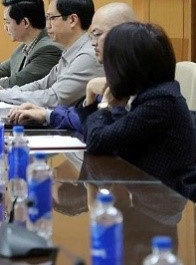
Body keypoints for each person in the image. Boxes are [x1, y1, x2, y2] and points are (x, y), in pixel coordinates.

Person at [83, 22, 196, 200]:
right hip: (146, 192)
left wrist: (105, 104)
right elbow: (96, 135)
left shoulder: (160, 101)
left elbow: (97, 141)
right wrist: (96, 101)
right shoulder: (149, 93)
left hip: (166, 200)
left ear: (125, 64)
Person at [6, 2, 136, 131]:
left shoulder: (140, 86)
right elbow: (81, 118)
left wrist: (100, 103)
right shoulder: (114, 72)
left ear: (123, 34)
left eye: (97, 34)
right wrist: (47, 114)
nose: (93, 42)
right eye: (91, 35)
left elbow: (99, 134)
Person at [0, 0, 101, 108]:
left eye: (52, 18)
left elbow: (54, 98)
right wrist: (2, 93)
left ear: (72, 20)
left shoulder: (88, 55)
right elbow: (41, 85)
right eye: (47, 18)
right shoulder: (71, 51)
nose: (47, 25)